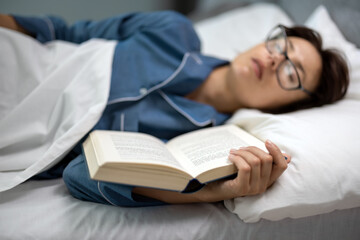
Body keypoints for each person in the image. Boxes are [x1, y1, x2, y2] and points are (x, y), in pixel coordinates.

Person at [0, 11, 349, 206]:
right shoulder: (172, 31)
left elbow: (81, 174)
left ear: (288, 107)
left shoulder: (201, 145)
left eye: (291, 71)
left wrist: (217, 192)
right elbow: (65, 32)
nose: (275, 58)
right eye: (280, 44)